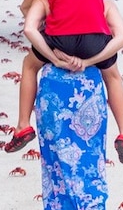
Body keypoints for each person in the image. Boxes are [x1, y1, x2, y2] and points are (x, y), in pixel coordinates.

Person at [4, 0, 123, 165]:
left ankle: (23, 124)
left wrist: (52, 53)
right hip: (94, 42)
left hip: (60, 42)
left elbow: (26, 10)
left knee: (28, 65)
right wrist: (90, 59)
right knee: (113, 77)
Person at [36, 62, 108, 209]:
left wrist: (55, 58)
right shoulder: (97, 42)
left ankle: (22, 124)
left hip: (53, 89)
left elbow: (30, 63)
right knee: (92, 164)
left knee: (55, 169)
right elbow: (121, 41)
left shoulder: (51, 42)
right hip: (90, 87)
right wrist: (86, 61)